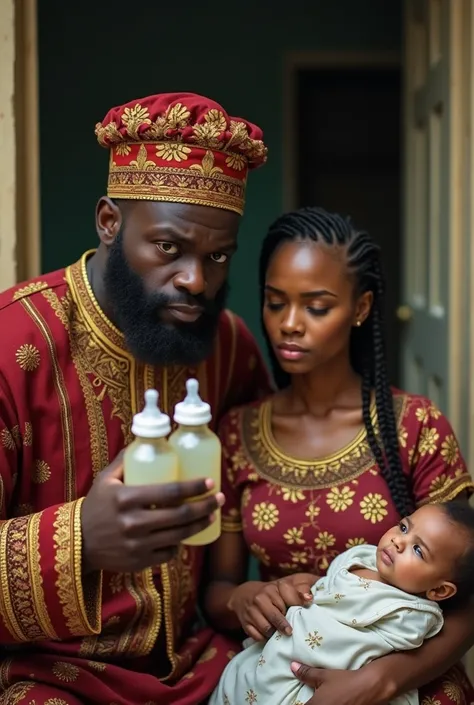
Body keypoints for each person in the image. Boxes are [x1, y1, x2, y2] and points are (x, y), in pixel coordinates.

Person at [0, 92, 272, 705]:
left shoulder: (228, 346)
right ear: (109, 221)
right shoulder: (12, 344)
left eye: (218, 256)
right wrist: (79, 541)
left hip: (202, 662)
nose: (196, 281)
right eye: (169, 248)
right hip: (49, 676)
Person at [205, 207, 474, 705]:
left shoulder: (415, 426)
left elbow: (468, 597)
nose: (289, 324)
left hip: (401, 676)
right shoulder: (238, 432)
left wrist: (383, 680)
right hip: (280, 669)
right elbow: (219, 586)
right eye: (274, 302)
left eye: (317, 307)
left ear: (361, 307)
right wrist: (245, 598)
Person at [210, 501, 474, 705]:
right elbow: (328, 586)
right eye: (404, 527)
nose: (398, 540)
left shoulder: (410, 613)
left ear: (439, 590)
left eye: (418, 550)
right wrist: (306, 584)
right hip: (277, 651)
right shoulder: (362, 556)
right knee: (239, 678)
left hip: (320, 680)